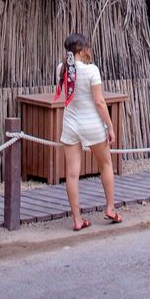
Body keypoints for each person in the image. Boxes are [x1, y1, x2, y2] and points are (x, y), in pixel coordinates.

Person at [55, 33, 122, 231]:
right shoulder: (92, 70)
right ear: (83, 50)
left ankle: (77, 219)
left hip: (71, 125)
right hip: (92, 124)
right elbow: (100, 102)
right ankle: (110, 208)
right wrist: (110, 127)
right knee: (106, 164)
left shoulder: (62, 69)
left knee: (72, 174)